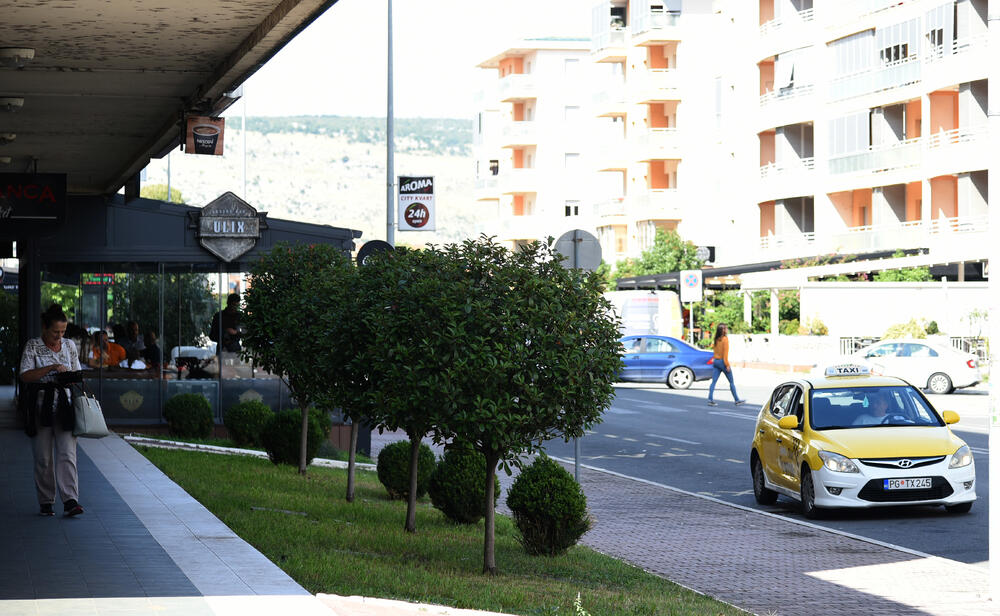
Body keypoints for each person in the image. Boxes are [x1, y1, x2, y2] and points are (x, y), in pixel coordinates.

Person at [18, 304, 84, 517]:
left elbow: (77, 373)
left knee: (67, 454)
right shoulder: (33, 346)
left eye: (63, 331)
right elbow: (25, 376)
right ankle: (46, 500)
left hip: (64, 405)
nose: (60, 336)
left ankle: (70, 500)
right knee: (43, 457)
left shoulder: (69, 346)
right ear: (45, 327)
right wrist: (51, 368)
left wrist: (69, 378)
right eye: (56, 331)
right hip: (40, 406)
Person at [707, 323, 746, 407]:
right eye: (726, 328)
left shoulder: (716, 339)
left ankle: (710, 399)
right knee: (731, 382)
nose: (727, 329)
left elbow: (713, 348)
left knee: (713, 381)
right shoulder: (725, 339)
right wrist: (727, 365)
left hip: (716, 361)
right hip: (722, 362)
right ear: (723, 330)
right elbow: (725, 354)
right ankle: (737, 400)